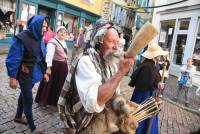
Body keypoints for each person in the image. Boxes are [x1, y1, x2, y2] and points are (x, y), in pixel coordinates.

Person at [58, 22, 136, 134]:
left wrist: (127, 106)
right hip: (86, 123)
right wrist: (121, 72)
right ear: (99, 42)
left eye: (117, 42)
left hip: (105, 120)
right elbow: (94, 103)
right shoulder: (86, 61)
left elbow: (114, 94)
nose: (115, 46)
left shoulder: (111, 64)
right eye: (111, 41)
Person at [6, 15, 48, 134]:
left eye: (46, 26)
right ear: (36, 25)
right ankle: (33, 128)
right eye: (43, 26)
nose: (45, 29)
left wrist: (44, 72)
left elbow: (41, 57)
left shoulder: (40, 38)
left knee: (24, 95)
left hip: (34, 73)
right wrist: (12, 78)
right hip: (24, 74)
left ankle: (18, 116)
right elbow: (13, 59)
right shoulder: (21, 38)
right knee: (28, 101)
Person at [128, 44, 168, 134]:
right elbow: (144, 83)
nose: (161, 56)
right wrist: (157, 85)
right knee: (141, 116)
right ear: (154, 55)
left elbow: (155, 74)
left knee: (147, 117)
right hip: (144, 96)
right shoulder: (147, 66)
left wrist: (157, 84)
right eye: (159, 54)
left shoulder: (152, 64)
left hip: (148, 94)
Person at [35, 26, 68, 107]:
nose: (63, 34)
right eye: (61, 32)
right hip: (55, 66)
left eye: (64, 32)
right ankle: (44, 100)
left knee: (59, 84)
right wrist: (48, 68)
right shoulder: (52, 42)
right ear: (57, 32)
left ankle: (55, 101)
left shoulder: (64, 42)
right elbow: (49, 55)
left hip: (62, 67)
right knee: (50, 83)